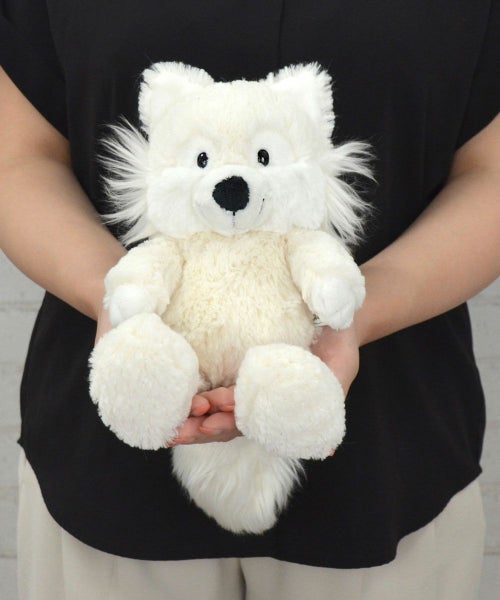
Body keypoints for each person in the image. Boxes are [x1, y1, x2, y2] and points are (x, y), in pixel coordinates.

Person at [1, 2, 499, 599]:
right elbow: (20, 156)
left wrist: (351, 314)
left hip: (395, 446)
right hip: (105, 463)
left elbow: (489, 172)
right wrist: (122, 300)